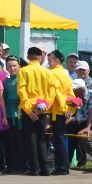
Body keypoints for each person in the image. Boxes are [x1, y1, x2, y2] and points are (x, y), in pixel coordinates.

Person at [17, 47, 62, 176]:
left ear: (28, 56)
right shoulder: (47, 72)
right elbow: (52, 91)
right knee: (42, 140)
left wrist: (29, 110)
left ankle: (34, 168)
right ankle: (46, 168)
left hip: (29, 110)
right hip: (43, 110)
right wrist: (43, 106)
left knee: (31, 139)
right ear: (39, 57)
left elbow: (21, 91)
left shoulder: (23, 71)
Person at [1, 57, 26, 175]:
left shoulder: (22, 80)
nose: (12, 68)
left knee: (20, 141)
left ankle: (21, 165)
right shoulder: (5, 82)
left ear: (19, 66)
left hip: (20, 113)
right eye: (10, 66)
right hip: (10, 114)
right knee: (11, 141)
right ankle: (11, 165)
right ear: (6, 68)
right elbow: (4, 99)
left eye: (14, 66)